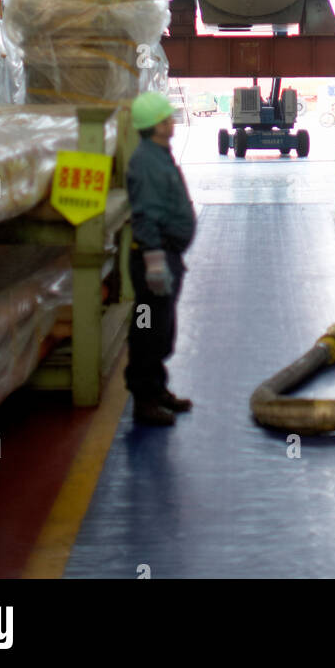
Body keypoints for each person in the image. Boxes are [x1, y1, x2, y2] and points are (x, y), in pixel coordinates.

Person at [125, 91, 197, 426]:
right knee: (149, 330)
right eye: (166, 118)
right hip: (154, 260)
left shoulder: (158, 154)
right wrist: (154, 261)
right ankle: (144, 400)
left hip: (166, 256)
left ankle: (158, 389)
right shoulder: (147, 162)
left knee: (161, 327)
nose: (172, 122)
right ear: (155, 125)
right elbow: (145, 215)